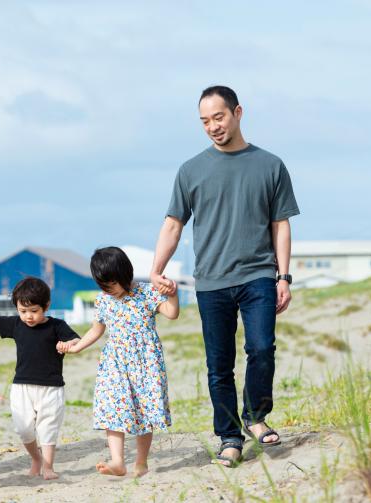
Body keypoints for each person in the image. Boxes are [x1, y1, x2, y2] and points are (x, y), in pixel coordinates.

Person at [150, 86, 300, 467]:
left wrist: (284, 277)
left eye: (218, 117)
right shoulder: (190, 170)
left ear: (237, 112)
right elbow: (173, 225)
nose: (213, 127)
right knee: (219, 365)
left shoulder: (270, 165)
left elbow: (280, 225)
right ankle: (229, 437)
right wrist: (156, 269)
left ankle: (255, 415)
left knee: (262, 348)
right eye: (204, 121)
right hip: (211, 281)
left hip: (259, 276)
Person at [58, 247, 180, 477]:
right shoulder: (103, 300)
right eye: (103, 286)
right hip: (115, 361)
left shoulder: (146, 292)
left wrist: (172, 293)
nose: (109, 290)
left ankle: (141, 462)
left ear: (125, 274)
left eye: (112, 284)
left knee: (145, 411)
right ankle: (117, 461)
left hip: (146, 362)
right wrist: (77, 347)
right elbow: (96, 330)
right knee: (113, 408)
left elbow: (172, 313)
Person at [0, 277, 80, 480]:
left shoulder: (57, 326)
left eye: (34, 311)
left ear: (46, 306)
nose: (28, 316)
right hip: (22, 386)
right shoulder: (16, 324)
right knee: (23, 429)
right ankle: (36, 458)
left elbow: (76, 340)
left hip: (51, 387)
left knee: (48, 427)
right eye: (23, 311)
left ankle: (48, 466)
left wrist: (68, 345)